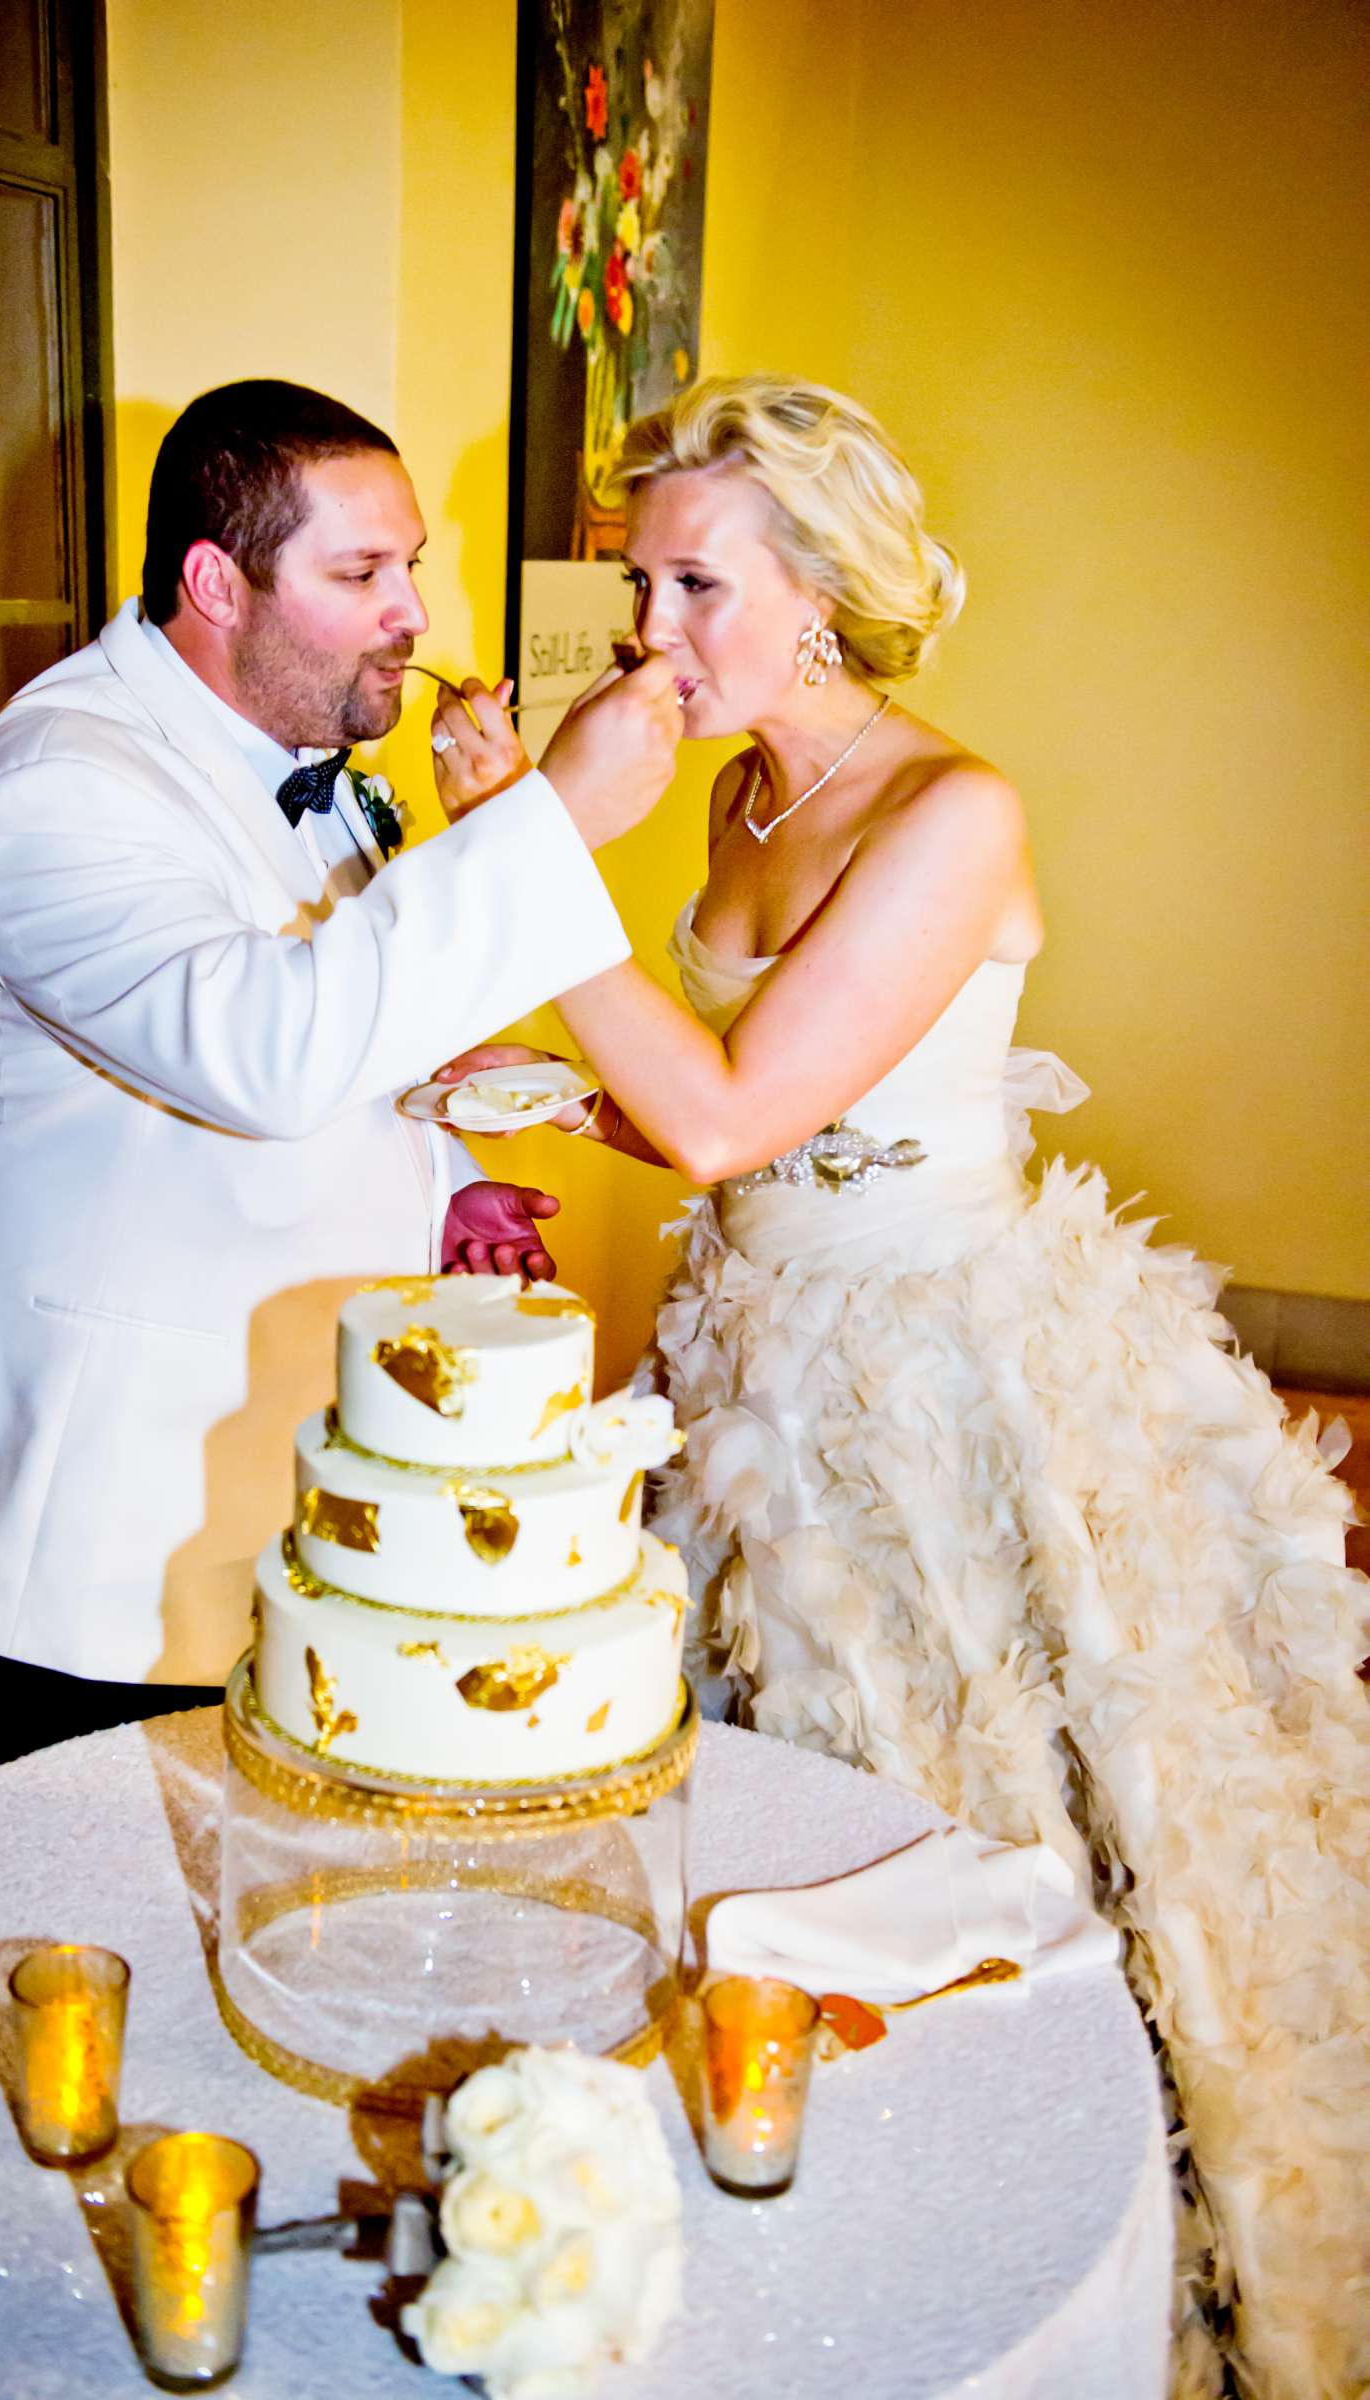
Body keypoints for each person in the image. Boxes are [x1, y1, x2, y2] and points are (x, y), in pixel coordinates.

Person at [433, 375, 1370, 2400]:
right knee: (758, 1793)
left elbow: (741, 1106)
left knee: (983, 1809)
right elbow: (735, 1128)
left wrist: (520, 852)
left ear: (820, 592)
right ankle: (789, 2186)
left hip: (948, 1379)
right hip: (762, 1358)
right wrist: (549, 1096)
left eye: (694, 587)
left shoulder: (959, 815)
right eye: (641, 584)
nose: (646, 634)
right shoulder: (732, 794)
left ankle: (1039, 2250)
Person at [0, 377, 684, 1778]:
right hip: (105, 1536)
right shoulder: (58, 786)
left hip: (296, 1478)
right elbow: (265, 1054)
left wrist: (441, 1171)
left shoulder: (297, 745)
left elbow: (356, 1008)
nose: (414, 616)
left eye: (411, 567)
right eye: (362, 572)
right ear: (217, 581)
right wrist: (552, 823)